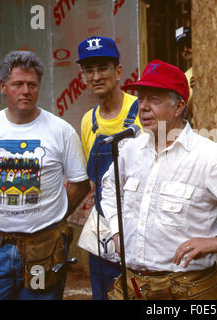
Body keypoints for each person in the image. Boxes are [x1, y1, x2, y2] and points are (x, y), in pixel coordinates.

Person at [100, 59, 217, 300]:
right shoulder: (130, 150)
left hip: (188, 291)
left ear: (178, 107)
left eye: (154, 99)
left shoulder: (205, 156)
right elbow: (108, 186)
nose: (143, 107)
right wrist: (116, 229)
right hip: (131, 286)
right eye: (141, 98)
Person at [0, 50, 90, 300]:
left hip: (43, 250)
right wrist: (3, 206)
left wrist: (52, 215)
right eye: (17, 84)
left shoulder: (61, 131)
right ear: (3, 86)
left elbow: (80, 185)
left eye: (32, 84)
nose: (26, 91)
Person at [75, 36, 141, 300]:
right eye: (89, 70)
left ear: (118, 71)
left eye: (103, 67)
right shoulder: (87, 122)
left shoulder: (141, 112)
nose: (96, 76)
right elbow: (91, 182)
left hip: (141, 232)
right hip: (103, 236)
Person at [175, 27, 195, 125]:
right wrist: (196, 92)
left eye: (188, 44)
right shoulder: (185, 77)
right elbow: (184, 115)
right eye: (181, 48)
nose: (185, 49)